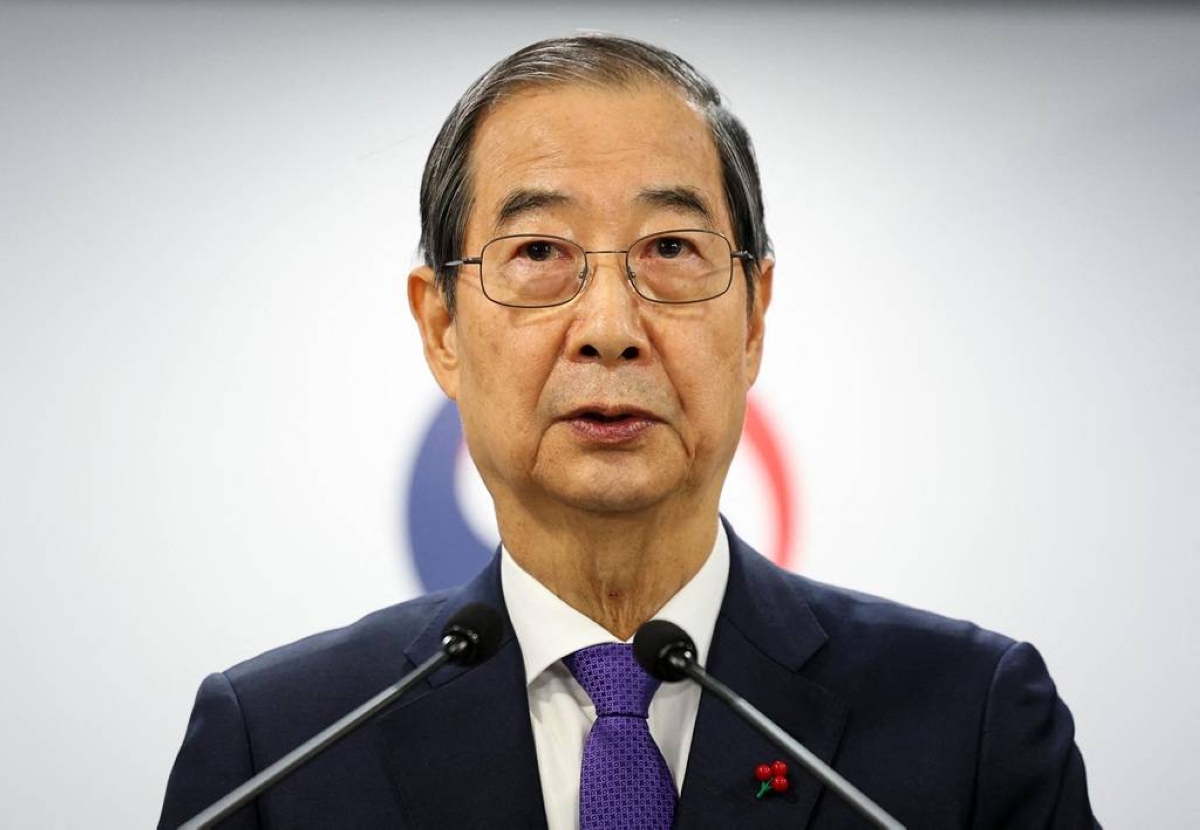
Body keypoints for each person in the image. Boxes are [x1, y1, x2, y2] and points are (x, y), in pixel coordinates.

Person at [159, 35, 1097, 829]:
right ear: (442, 329)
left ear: (755, 317)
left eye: (670, 250)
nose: (610, 325)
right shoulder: (280, 750)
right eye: (537, 254)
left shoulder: (972, 723)